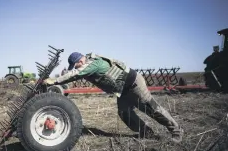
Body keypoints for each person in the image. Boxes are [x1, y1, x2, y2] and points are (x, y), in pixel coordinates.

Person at [44, 52, 184, 143]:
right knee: (124, 112)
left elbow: (75, 74)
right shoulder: (87, 65)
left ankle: (177, 131)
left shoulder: (93, 64)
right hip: (121, 89)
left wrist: (55, 81)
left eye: (76, 65)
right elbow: (75, 74)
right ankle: (146, 133)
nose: (77, 68)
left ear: (80, 61)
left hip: (133, 83)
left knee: (151, 108)